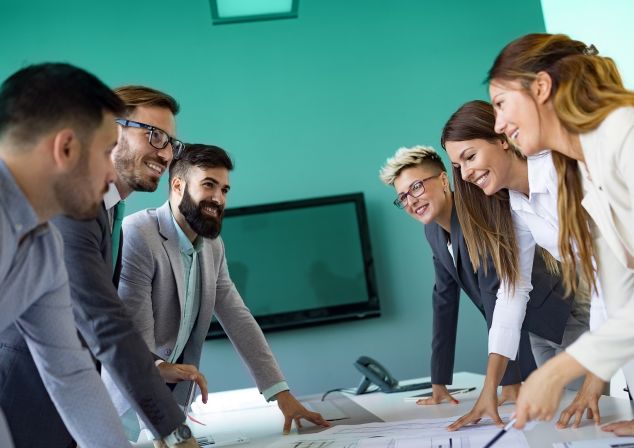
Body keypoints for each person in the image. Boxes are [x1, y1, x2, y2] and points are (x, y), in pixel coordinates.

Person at [0, 83, 202, 447]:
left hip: (64, 405)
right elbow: (104, 324)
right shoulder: (72, 208)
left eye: (172, 143)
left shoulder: (108, 215)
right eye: (155, 135)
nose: (167, 152)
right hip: (21, 397)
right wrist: (174, 432)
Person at [109, 143, 329, 435]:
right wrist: (162, 426)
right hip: (129, 403)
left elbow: (238, 317)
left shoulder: (212, 245)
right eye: (209, 185)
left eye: (224, 190)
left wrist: (282, 396)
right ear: (177, 186)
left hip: (172, 399)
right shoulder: (139, 234)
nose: (219, 198)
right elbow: (138, 337)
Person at [487, 32, 634, 434]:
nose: (498, 123)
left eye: (501, 103)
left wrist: (560, 371)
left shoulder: (625, 135)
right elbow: (615, 296)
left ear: (541, 87)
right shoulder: (584, 168)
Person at [378, 145, 571, 429]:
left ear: (444, 180)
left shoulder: (475, 214)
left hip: (553, 320)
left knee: (572, 412)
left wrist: (509, 378)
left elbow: (499, 296)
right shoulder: (432, 231)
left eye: (416, 187)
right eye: (402, 196)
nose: (411, 201)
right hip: (516, 334)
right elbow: (443, 300)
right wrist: (439, 379)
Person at [441, 99, 598, 430]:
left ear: (500, 139)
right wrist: (489, 389)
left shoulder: (560, 171)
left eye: (469, 156)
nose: (466, 173)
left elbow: (610, 272)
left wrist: (591, 383)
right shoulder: (515, 207)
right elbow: (513, 293)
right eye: (458, 166)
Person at [0, 63, 134, 447]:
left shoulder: (44, 246)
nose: (114, 172)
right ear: (66, 148)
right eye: (109, 151)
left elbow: (70, 373)